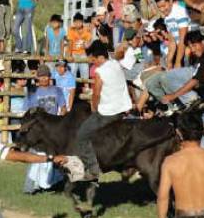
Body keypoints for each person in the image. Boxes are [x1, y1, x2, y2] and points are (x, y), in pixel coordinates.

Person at [73, 41, 132, 181]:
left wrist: (94, 109)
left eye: (93, 59)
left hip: (108, 112)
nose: (92, 63)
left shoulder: (100, 72)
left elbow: (96, 94)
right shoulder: (115, 64)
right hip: (123, 108)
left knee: (82, 136)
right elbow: (119, 54)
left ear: (99, 57)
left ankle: (93, 170)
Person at [23, 64, 66, 193]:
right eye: (41, 77)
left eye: (46, 76)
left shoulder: (57, 90)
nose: (43, 79)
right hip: (38, 129)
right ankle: (31, 186)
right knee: (36, 156)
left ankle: (54, 184)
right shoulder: (32, 92)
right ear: (37, 78)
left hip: (53, 127)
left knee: (54, 156)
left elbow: (63, 107)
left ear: (49, 77)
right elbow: (28, 111)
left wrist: (60, 120)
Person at [155, 0, 191, 68]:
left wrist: (178, 62)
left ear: (170, 1)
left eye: (164, 6)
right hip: (180, 49)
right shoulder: (166, 16)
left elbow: (183, 40)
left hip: (189, 48)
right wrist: (169, 61)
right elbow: (172, 41)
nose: (162, 9)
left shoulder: (179, 11)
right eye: (159, 7)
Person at [66, 13, 92, 81]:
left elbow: (88, 44)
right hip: (74, 53)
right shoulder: (71, 30)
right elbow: (70, 44)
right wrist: (69, 55)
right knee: (72, 70)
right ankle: (71, 88)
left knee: (85, 70)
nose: (77, 24)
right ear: (74, 22)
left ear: (82, 22)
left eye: (79, 22)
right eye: (75, 22)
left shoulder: (87, 30)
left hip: (83, 53)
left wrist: (87, 45)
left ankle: (86, 88)